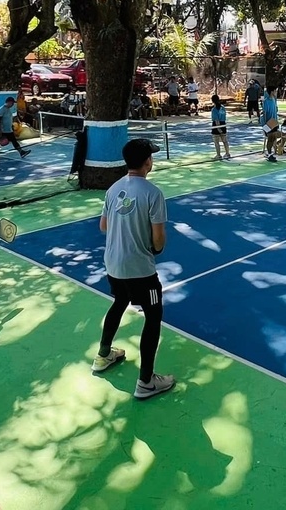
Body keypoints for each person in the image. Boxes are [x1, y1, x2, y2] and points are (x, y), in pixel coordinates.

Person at [93, 138, 176, 400]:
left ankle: (104, 355)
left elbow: (103, 227)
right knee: (153, 316)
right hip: (141, 269)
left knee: (119, 301)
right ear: (147, 162)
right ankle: (146, 382)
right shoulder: (153, 193)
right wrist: (156, 249)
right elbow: (158, 239)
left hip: (113, 265)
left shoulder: (113, 189)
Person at [261, 85, 283, 161]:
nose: (276, 92)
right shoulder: (266, 101)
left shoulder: (274, 99)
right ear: (271, 92)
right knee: (270, 139)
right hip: (269, 123)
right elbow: (265, 113)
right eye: (275, 91)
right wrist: (266, 124)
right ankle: (269, 154)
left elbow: (275, 109)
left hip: (275, 122)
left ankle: (272, 153)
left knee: (274, 138)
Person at [210, 94, 231, 160]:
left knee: (216, 141)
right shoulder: (223, 107)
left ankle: (218, 155)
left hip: (217, 125)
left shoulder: (214, 109)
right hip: (223, 124)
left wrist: (218, 128)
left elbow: (216, 120)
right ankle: (227, 153)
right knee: (225, 140)